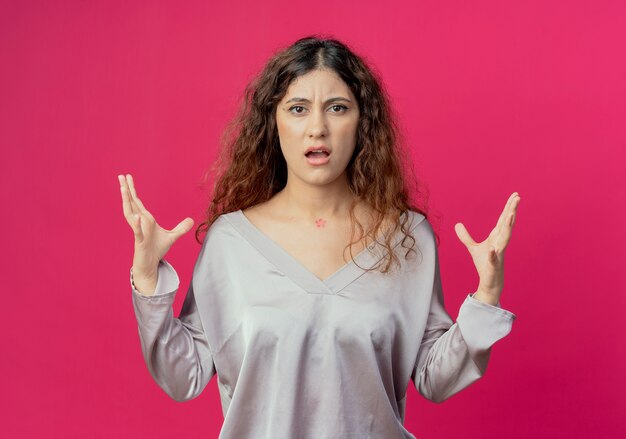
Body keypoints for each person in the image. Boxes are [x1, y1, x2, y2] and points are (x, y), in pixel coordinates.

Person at [118, 36, 520, 439]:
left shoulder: (407, 238)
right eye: (297, 109)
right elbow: (182, 375)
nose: (317, 129)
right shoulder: (230, 243)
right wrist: (148, 278)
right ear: (273, 123)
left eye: (338, 108)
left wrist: (486, 296)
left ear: (362, 121)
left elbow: (435, 378)